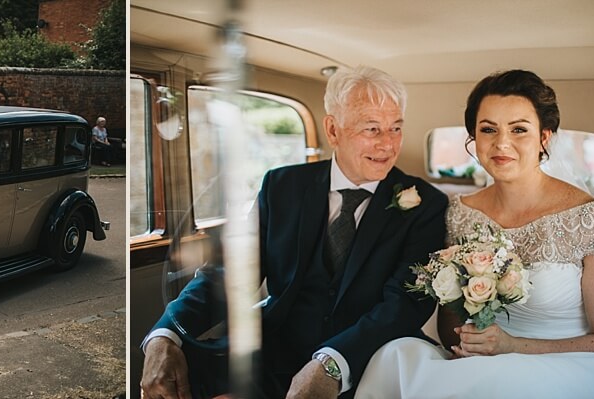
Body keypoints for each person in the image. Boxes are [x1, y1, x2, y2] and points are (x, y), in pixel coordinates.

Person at [139, 66, 448, 399]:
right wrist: (165, 335)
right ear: (332, 130)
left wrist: (332, 362)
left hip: (366, 363)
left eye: (396, 128)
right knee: (173, 380)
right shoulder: (281, 186)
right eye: (372, 128)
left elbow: (403, 304)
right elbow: (228, 273)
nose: (388, 144)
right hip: (271, 353)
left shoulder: (425, 205)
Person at [354, 70, 594, 398]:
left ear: (545, 136)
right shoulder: (460, 213)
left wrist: (512, 347)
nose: (502, 143)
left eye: (519, 129)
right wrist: (472, 341)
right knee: (393, 356)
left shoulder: (592, 219)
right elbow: (449, 328)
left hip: (573, 371)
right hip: (479, 365)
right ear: (474, 138)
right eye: (488, 129)